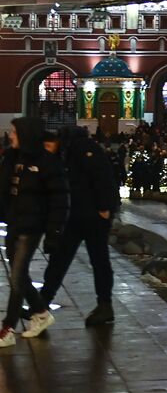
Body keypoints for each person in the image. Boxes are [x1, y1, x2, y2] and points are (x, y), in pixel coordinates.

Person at [39, 127, 120, 326]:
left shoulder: (81, 147)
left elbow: (101, 175)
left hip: (90, 217)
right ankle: (42, 303)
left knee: (86, 260)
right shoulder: (70, 151)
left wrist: (104, 207)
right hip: (79, 215)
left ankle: (103, 305)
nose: (47, 150)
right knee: (69, 259)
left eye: (48, 146)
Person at [0, 117, 69, 347]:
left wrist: (53, 231)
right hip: (14, 223)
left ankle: (7, 328)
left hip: (32, 227)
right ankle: (41, 314)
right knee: (19, 275)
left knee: (17, 277)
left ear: (26, 135)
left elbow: (59, 199)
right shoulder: (11, 158)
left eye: (14, 132)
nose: (10, 135)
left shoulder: (48, 163)